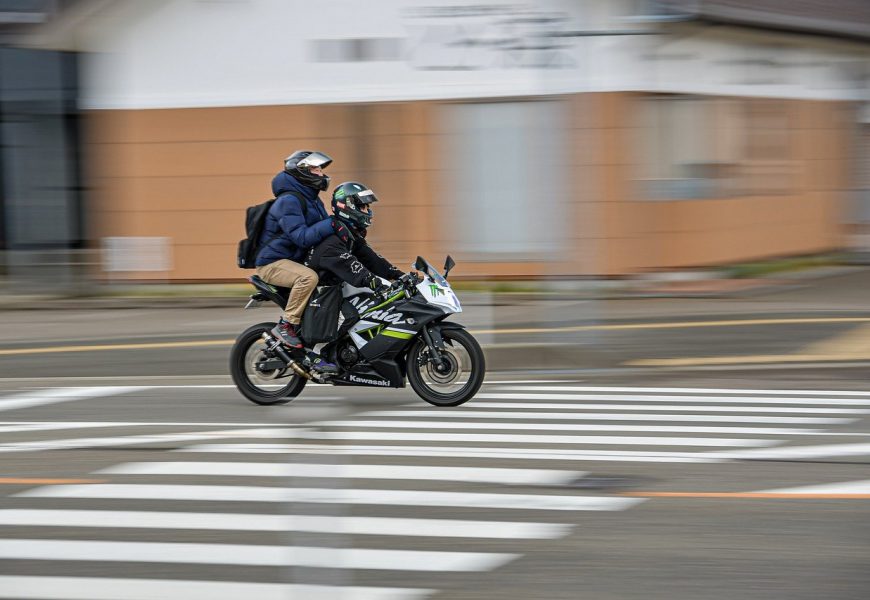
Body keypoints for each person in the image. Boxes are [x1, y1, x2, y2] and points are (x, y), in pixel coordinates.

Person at [255, 150, 338, 374]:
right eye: (316, 169)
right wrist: (332, 223)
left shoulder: (312, 199)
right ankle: (287, 325)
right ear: (301, 171)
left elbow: (324, 235)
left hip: (293, 260)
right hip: (273, 263)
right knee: (307, 278)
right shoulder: (289, 200)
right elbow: (301, 237)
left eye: (321, 169)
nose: (321, 174)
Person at [305, 181, 405, 300]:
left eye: (367, 206)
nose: (368, 211)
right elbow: (350, 266)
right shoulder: (332, 239)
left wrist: (400, 275)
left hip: (335, 291)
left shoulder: (349, 234)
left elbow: (372, 259)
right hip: (320, 298)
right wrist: (375, 282)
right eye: (363, 206)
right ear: (348, 206)